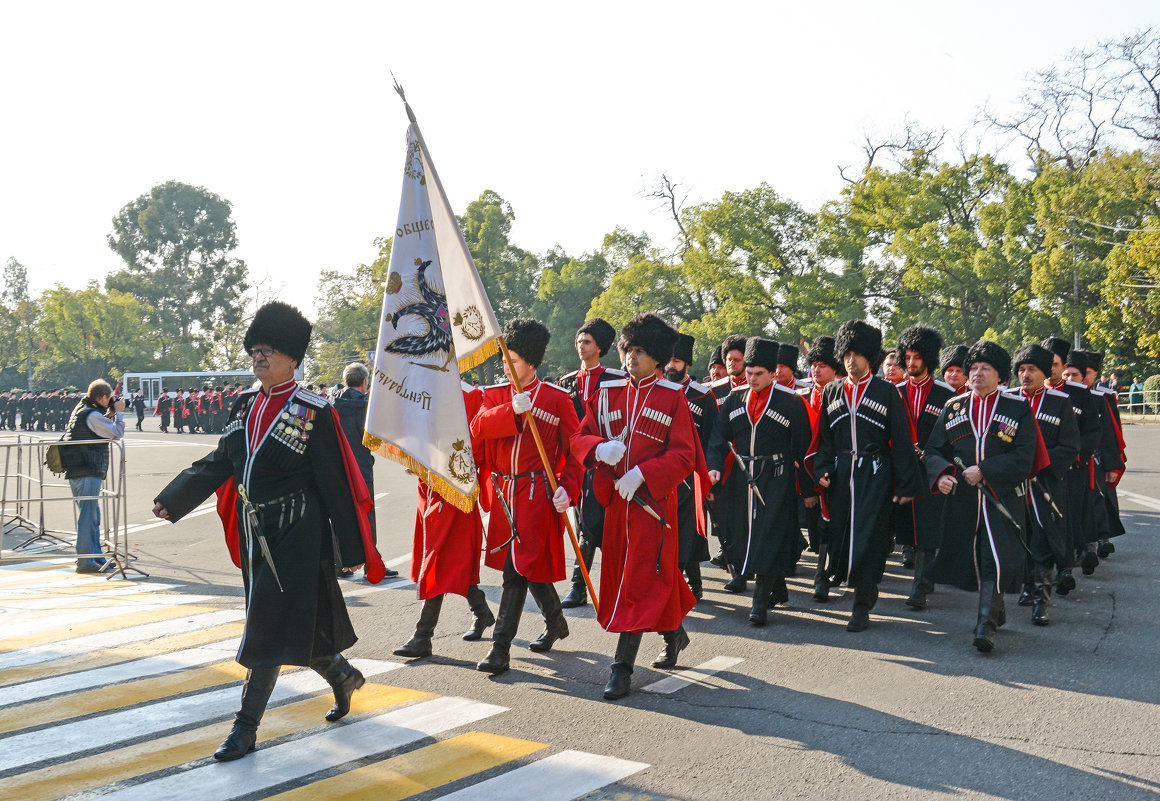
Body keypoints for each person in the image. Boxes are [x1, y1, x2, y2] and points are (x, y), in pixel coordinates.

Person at [151, 301, 384, 762]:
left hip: (298, 533)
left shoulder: (314, 409)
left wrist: (351, 549)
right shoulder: (244, 404)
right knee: (291, 625)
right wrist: (175, 497)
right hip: (256, 532)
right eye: (256, 349)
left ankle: (245, 729)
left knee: (266, 629)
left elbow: (335, 482)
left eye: (270, 349)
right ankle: (342, 675)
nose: (259, 356)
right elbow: (220, 462)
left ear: (293, 357)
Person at [572, 313, 699, 699]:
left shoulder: (673, 398)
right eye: (629, 350)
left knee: (637, 583)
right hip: (617, 510)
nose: (631, 357)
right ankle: (675, 634)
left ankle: (621, 669)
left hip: (653, 511)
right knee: (641, 582)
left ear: (657, 357)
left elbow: (684, 456)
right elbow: (580, 438)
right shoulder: (607, 393)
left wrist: (643, 473)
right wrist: (597, 448)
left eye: (640, 351)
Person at [470, 318, 583, 676]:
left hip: (536, 493)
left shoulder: (557, 399)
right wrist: (510, 411)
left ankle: (500, 647)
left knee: (516, 570)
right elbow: (478, 427)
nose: (506, 365)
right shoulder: (495, 394)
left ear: (531, 363)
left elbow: (576, 450)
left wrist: (568, 487)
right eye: (505, 359)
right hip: (505, 493)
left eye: (514, 360)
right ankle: (556, 622)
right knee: (528, 567)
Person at [807, 320, 922, 632]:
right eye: (847, 353)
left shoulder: (886, 391)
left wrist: (906, 483)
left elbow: (901, 440)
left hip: (876, 473)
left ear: (869, 357)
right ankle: (839, 581)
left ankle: (862, 603)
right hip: (843, 476)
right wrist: (823, 470)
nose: (850, 359)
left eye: (857, 354)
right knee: (842, 536)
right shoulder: (831, 391)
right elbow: (824, 440)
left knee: (872, 539)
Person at [925, 341, 1038, 653]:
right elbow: (934, 449)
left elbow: (1024, 455)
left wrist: (985, 470)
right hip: (964, 501)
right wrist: (943, 474)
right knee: (972, 560)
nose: (976, 373)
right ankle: (996, 607)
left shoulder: (1017, 408)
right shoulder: (954, 407)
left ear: (999, 375)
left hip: (1000, 497)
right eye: (972, 368)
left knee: (994, 558)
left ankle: (984, 624)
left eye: (984, 368)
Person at [707, 337, 813, 627]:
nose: (751, 379)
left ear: (772, 373)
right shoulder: (734, 399)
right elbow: (718, 438)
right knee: (743, 534)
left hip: (776, 477)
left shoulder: (791, 402)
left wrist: (808, 490)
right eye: (749, 373)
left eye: (758, 374)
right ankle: (777, 587)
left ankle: (759, 602)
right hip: (742, 479)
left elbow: (803, 448)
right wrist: (714, 467)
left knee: (768, 534)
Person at [393, 379, 496, 659]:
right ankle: (481, 610)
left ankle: (422, 635)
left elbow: (477, 444)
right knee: (450, 558)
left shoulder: (472, 395)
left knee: (439, 558)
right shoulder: (418, 389)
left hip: (455, 485)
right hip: (429, 486)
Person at [556, 318, 624, 609]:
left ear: (600, 347)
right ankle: (579, 586)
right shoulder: (566, 382)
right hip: (577, 466)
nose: (580, 347)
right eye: (579, 342)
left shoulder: (616, 379)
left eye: (587, 342)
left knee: (603, 527)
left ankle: (613, 583)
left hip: (606, 465)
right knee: (582, 524)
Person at [1010, 343, 1079, 626]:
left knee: (1043, 544)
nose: (1025, 375)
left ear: (1044, 372)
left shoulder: (1059, 402)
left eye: (1032, 370)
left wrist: (1039, 466)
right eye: (1022, 370)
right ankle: (1026, 585)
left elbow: (1070, 446)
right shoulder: (1008, 400)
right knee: (1019, 541)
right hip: (1013, 488)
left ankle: (1042, 602)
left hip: (1046, 486)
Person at [892, 324, 956, 610]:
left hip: (932, 468)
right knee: (907, 526)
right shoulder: (894, 391)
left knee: (928, 527)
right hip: (904, 468)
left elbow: (951, 435)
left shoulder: (946, 394)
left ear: (928, 358)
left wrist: (931, 455)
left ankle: (920, 585)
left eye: (917, 357)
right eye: (907, 356)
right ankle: (924, 575)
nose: (911, 363)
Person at [332, 362, 398, 579]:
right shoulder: (366, 405)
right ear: (364, 382)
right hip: (361, 467)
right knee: (367, 515)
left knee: (340, 515)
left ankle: (339, 564)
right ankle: (372, 563)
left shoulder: (332, 402)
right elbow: (373, 438)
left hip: (339, 467)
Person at [664, 332, 717, 599]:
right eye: (669, 360)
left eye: (676, 360)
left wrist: (708, 477)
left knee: (691, 532)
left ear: (686, 363)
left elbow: (712, 438)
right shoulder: (659, 391)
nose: (671, 366)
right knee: (670, 532)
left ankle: (692, 583)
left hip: (692, 476)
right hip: (665, 474)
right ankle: (681, 583)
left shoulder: (702, 396)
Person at [61, 380, 125, 573]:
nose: (111, 402)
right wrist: (119, 413)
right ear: (103, 397)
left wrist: (110, 413)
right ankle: (85, 562)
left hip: (79, 468)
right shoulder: (92, 414)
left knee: (92, 515)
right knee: (88, 516)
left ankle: (94, 557)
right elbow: (116, 432)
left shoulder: (82, 408)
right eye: (109, 399)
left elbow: (97, 426)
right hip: (87, 468)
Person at [801, 336, 843, 601]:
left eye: (823, 365)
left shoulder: (842, 393)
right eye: (813, 364)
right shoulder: (801, 395)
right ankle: (822, 575)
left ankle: (828, 573)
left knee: (833, 522)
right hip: (807, 467)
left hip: (835, 467)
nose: (816, 370)